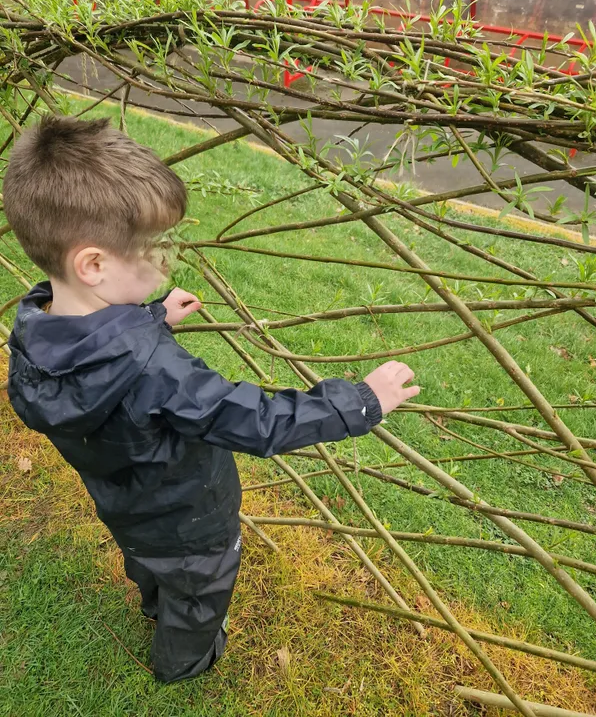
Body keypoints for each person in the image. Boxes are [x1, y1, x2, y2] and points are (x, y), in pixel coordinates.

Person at [3, 115, 420, 683]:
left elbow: (99, 355)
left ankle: (153, 602)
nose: (166, 259)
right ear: (94, 264)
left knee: (149, 564)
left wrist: (151, 317)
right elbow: (258, 421)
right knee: (198, 594)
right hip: (189, 517)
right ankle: (185, 662)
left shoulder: (33, 328)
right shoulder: (156, 371)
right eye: (152, 250)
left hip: (121, 502)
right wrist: (362, 402)